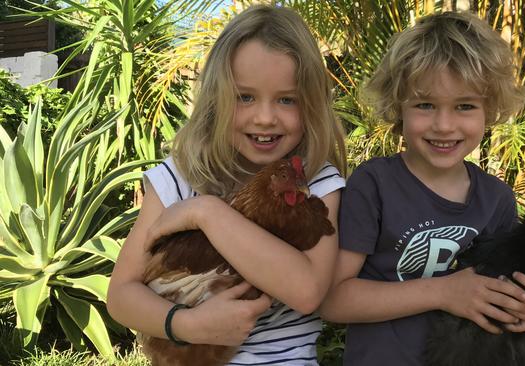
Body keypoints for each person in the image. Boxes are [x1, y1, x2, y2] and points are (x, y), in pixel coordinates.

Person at [319, 11, 525, 366]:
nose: (444, 124)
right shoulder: (373, 185)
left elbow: (510, 293)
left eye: (464, 106)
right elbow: (333, 301)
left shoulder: (496, 199)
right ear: (399, 106)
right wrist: (442, 292)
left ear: (490, 109)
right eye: (425, 105)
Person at [107, 5, 347, 365]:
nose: (265, 118)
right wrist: (187, 325)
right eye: (244, 97)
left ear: (311, 104)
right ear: (216, 99)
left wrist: (207, 212)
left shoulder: (315, 182)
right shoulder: (180, 177)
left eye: (287, 99)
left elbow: (307, 290)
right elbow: (121, 295)